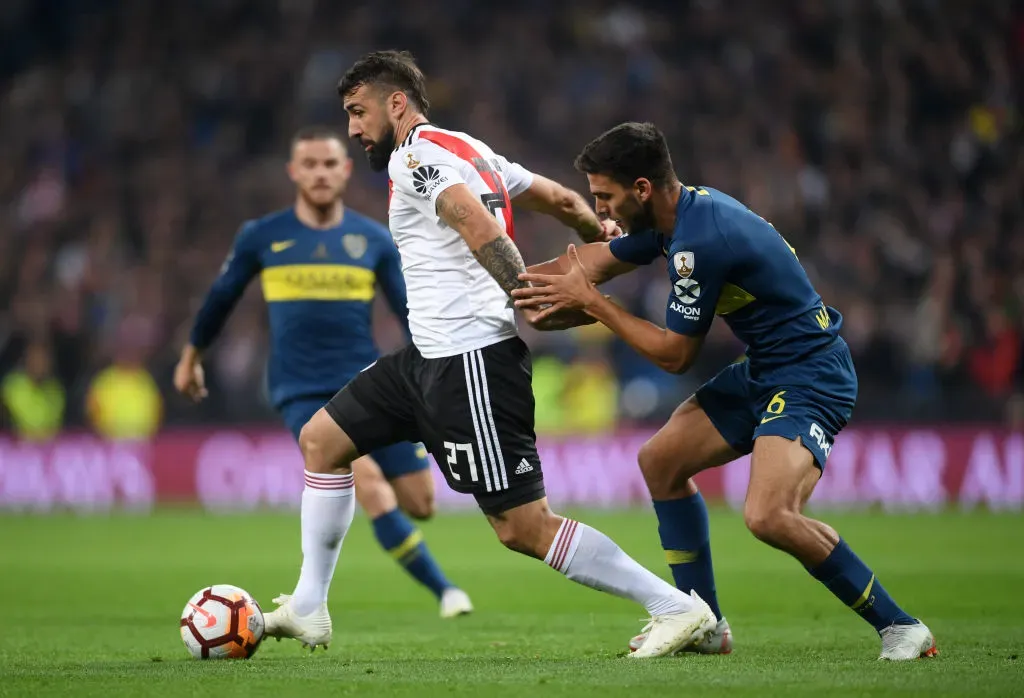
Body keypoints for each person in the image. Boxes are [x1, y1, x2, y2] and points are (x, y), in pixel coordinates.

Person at [264, 50, 718, 659]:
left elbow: (478, 227)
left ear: (396, 103)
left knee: (522, 528)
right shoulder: (472, 150)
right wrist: (597, 234)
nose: (352, 129)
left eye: (357, 112)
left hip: (471, 361)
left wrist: (527, 297)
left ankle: (677, 608)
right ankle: (310, 607)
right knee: (322, 440)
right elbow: (559, 199)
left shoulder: (419, 157)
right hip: (424, 357)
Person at [512, 122, 938, 661]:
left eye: (606, 197)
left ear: (642, 188)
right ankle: (706, 624)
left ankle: (901, 626)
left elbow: (674, 355)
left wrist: (594, 305)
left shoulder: (699, 240)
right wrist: (488, 281)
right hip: (765, 368)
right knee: (660, 461)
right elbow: (575, 270)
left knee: (769, 515)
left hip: (811, 374)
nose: (603, 214)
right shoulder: (673, 219)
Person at [174, 126, 473, 627]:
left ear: (346, 170)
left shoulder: (372, 239)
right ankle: (444, 590)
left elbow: (409, 311)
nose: (319, 173)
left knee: (421, 502)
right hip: (302, 390)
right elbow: (221, 298)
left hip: (370, 384)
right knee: (367, 480)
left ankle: (430, 585)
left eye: (329, 164)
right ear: (293, 172)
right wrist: (192, 355)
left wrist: (438, 367)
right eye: (309, 164)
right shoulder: (262, 237)